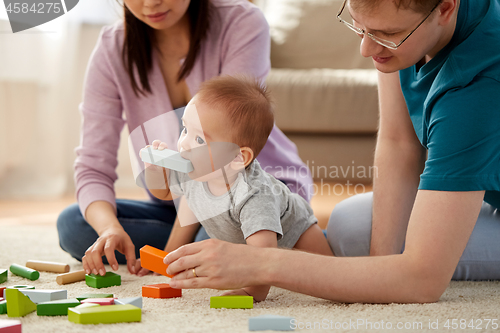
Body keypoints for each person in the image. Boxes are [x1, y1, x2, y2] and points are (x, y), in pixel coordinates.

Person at [163, 0, 500, 303]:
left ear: (445, 8)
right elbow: (399, 142)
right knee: (349, 230)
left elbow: (422, 281)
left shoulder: (476, 89)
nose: (366, 49)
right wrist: (378, 271)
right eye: (360, 27)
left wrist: (262, 264)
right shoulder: (404, 34)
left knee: (390, 264)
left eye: (386, 34)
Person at [56, 0, 313, 278]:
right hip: (183, 204)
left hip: (245, 195)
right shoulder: (112, 48)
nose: (151, 2)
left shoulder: (241, 23)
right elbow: (93, 165)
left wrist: (170, 252)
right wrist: (110, 230)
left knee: (213, 243)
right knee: (74, 225)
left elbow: (221, 166)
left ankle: (266, 237)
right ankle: (206, 246)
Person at [143, 76, 333, 301]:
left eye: (199, 140)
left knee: (330, 274)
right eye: (185, 130)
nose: (183, 144)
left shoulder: (253, 196)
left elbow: (265, 256)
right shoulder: (196, 169)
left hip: (296, 231)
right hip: (240, 237)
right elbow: (164, 193)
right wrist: (155, 172)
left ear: (237, 158)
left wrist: (252, 292)